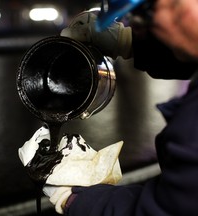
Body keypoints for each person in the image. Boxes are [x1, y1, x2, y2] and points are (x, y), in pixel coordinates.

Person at [19, 0, 198, 215]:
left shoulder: (193, 127)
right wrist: (129, 42)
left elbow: (159, 211)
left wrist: (70, 196)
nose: (140, 25)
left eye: (146, 12)